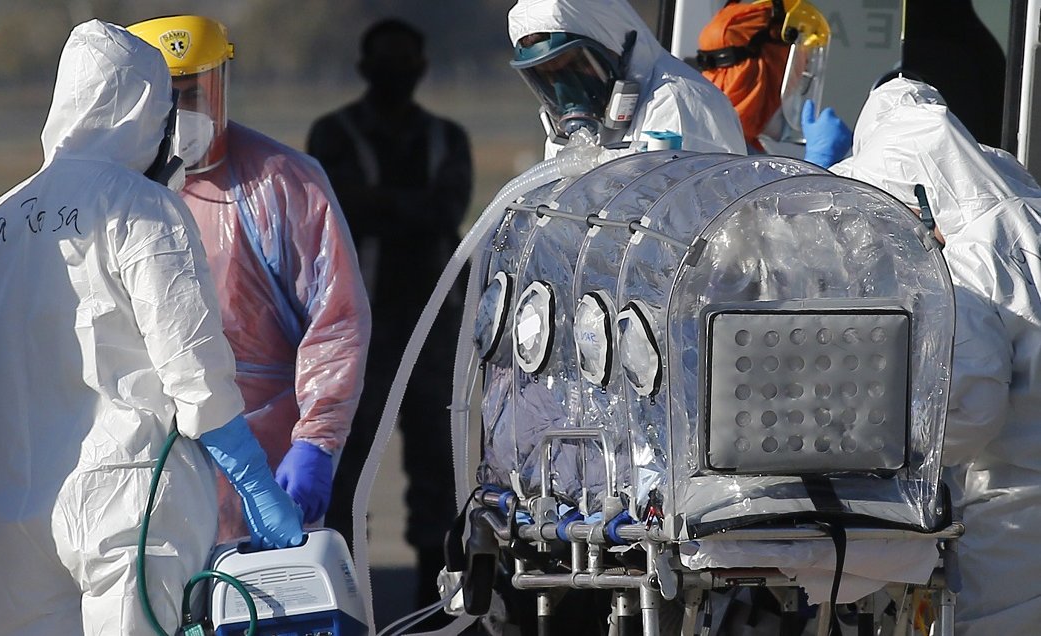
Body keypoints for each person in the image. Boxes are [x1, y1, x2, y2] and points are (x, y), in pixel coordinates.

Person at [0, 20, 304, 635]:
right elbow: (194, 367)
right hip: (128, 502)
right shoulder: (143, 207)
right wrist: (253, 480)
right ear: (143, 110)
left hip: (11, 507)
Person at [127, 15, 371, 547]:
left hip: (263, 465)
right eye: (168, 96)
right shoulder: (115, 195)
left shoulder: (280, 182)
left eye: (195, 92)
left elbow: (336, 321)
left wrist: (316, 441)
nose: (182, 113)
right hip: (144, 466)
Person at [831, 77, 1041, 634]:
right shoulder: (1028, 215)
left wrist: (873, 442)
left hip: (1020, 524)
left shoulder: (969, 261)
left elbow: (968, 410)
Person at [305, 17, 471, 613]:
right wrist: (409, 209)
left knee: (438, 464)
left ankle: (436, 594)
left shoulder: (446, 137)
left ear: (421, 69)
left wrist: (381, 205)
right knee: (346, 461)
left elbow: (447, 209)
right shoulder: (334, 134)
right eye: (385, 62)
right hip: (359, 329)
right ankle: (346, 586)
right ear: (363, 68)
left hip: (433, 326)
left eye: (404, 62)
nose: (395, 74)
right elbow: (340, 206)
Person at [508, 0, 747, 159]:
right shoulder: (564, 136)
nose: (565, 89)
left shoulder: (677, 104)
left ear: (612, 45)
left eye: (577, 66)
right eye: (549, 76)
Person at [695, 0, 851, 166]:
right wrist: (819, 162)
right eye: (801, 59)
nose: (804, 69)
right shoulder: (719, 149)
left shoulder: (712, 130)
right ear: (772, 64)